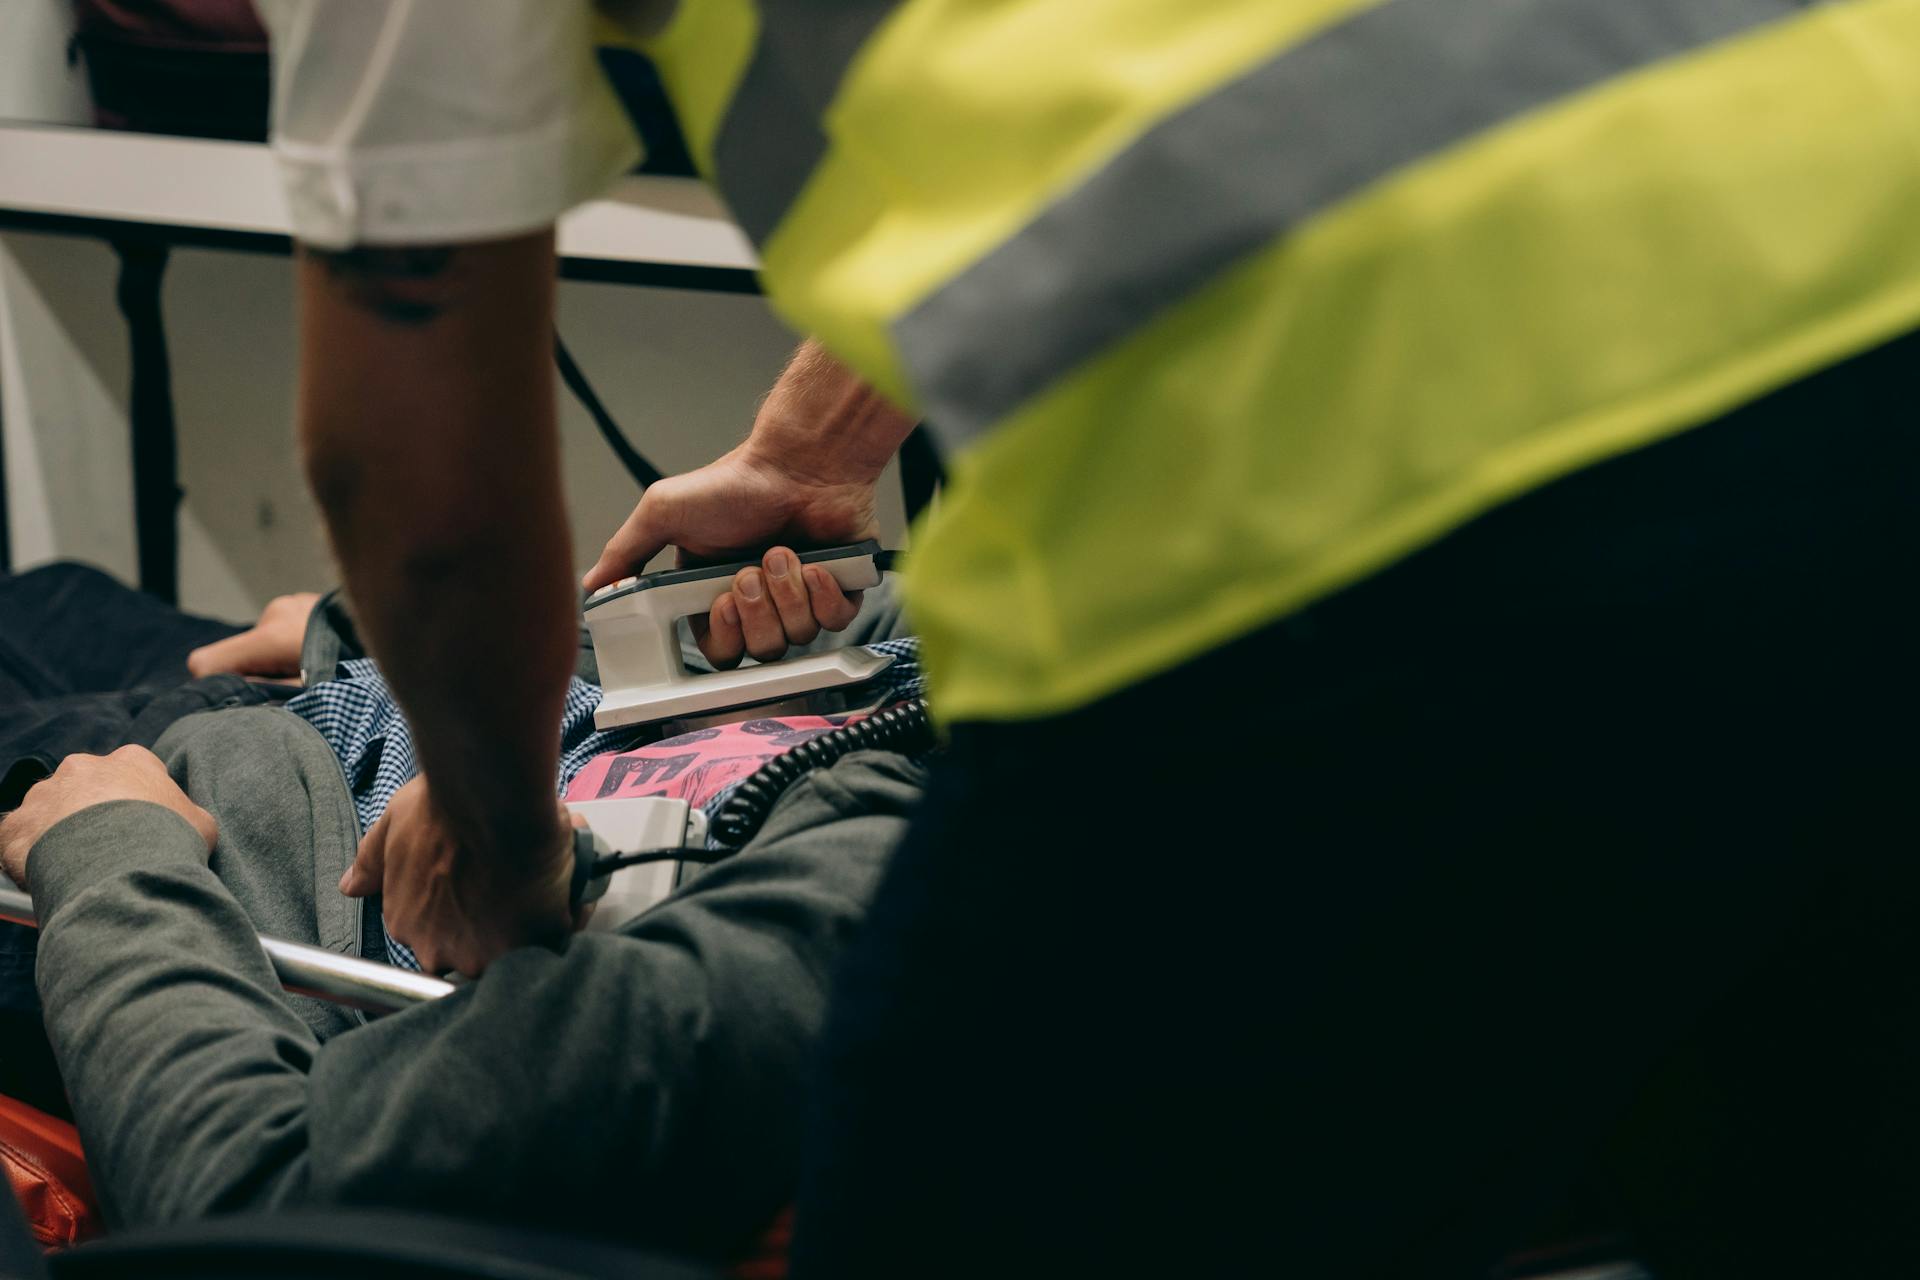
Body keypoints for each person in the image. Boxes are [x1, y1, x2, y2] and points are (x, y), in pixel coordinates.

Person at [41, 1, 1920, 1274]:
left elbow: (421, 471)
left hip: (1356, 536)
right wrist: (803, 446)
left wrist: (487, 833)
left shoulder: (829, 898)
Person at [0, 565, 925, 1260]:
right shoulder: (995, 682)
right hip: (357, 684)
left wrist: (109, 851)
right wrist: (363, 624)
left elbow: (261, 1212)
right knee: (48, 598)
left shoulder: (859, 934)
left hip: (188, 834)